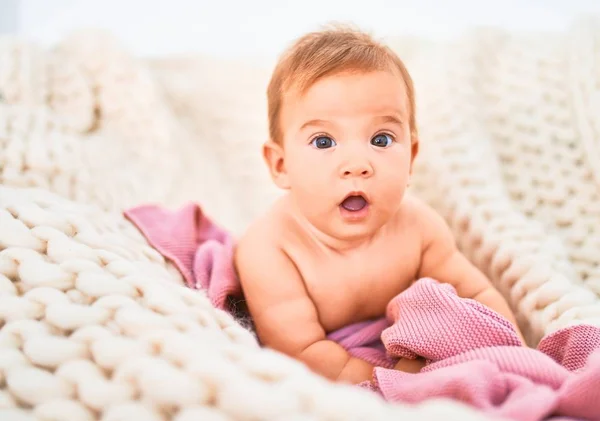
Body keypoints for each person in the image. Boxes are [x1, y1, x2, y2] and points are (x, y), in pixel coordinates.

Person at [233, 25, 524, 385]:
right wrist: (392, 382)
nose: (357, 163)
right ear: (280, 165)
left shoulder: (418, 227)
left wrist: (514, 351)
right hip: (347, 373)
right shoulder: (271, 249)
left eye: (381, 139)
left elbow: (478, 296)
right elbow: (300, 352)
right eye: (323, 141)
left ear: (411, 158)